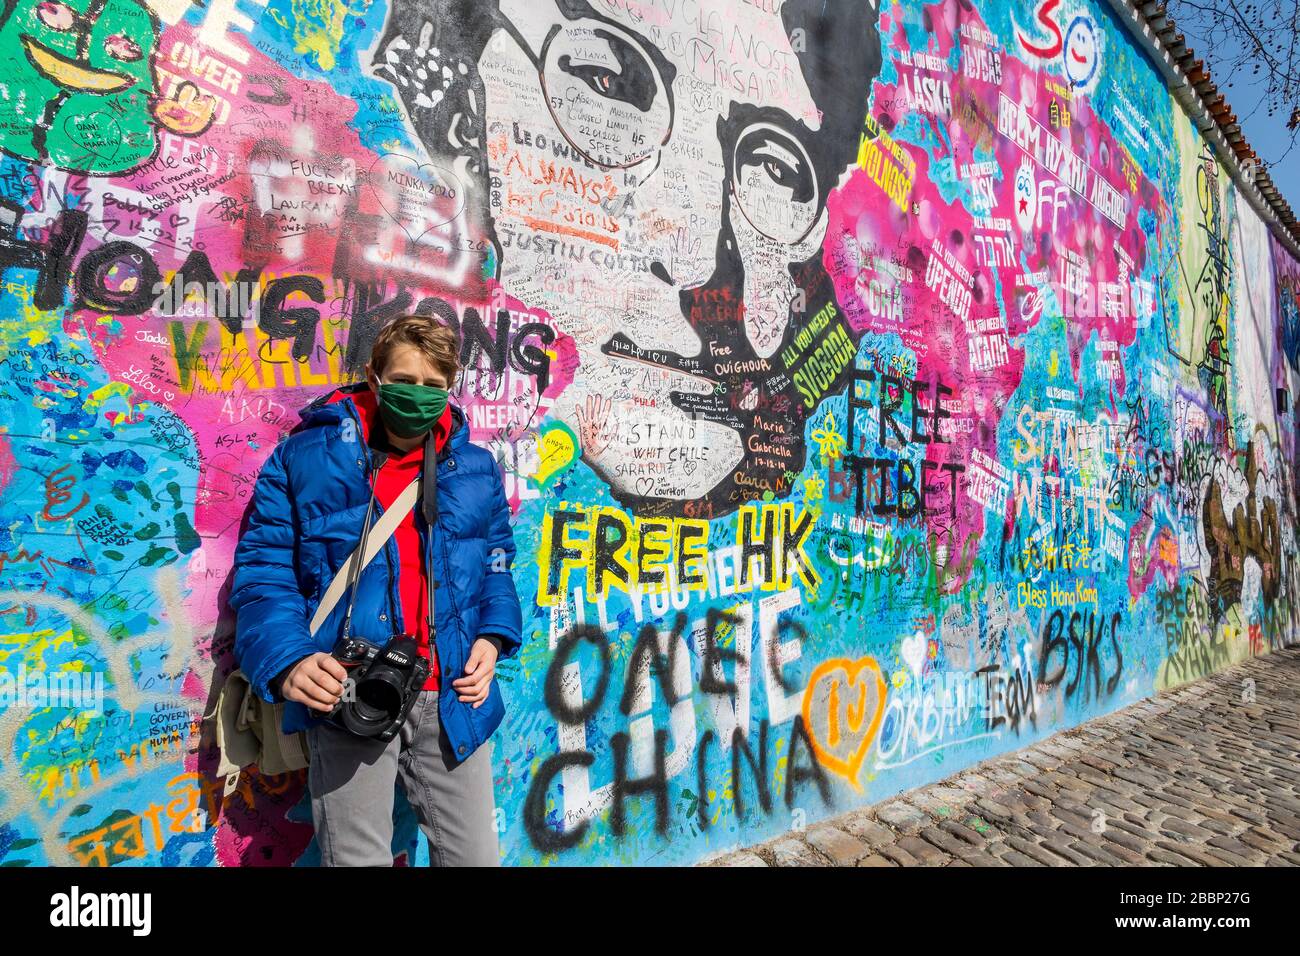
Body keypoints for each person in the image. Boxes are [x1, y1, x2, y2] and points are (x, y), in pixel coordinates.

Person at [228, 313, 523, 866]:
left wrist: (493, 636)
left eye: (434, 387)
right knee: (355, 860)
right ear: (374, 375)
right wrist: (290, 661)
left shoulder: (477, 468)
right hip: (347, 692)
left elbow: (496, 563)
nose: (418, 397)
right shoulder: (303, 460)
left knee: (475, 858)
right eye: (404, 381)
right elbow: (265, 574)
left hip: (454, 695)